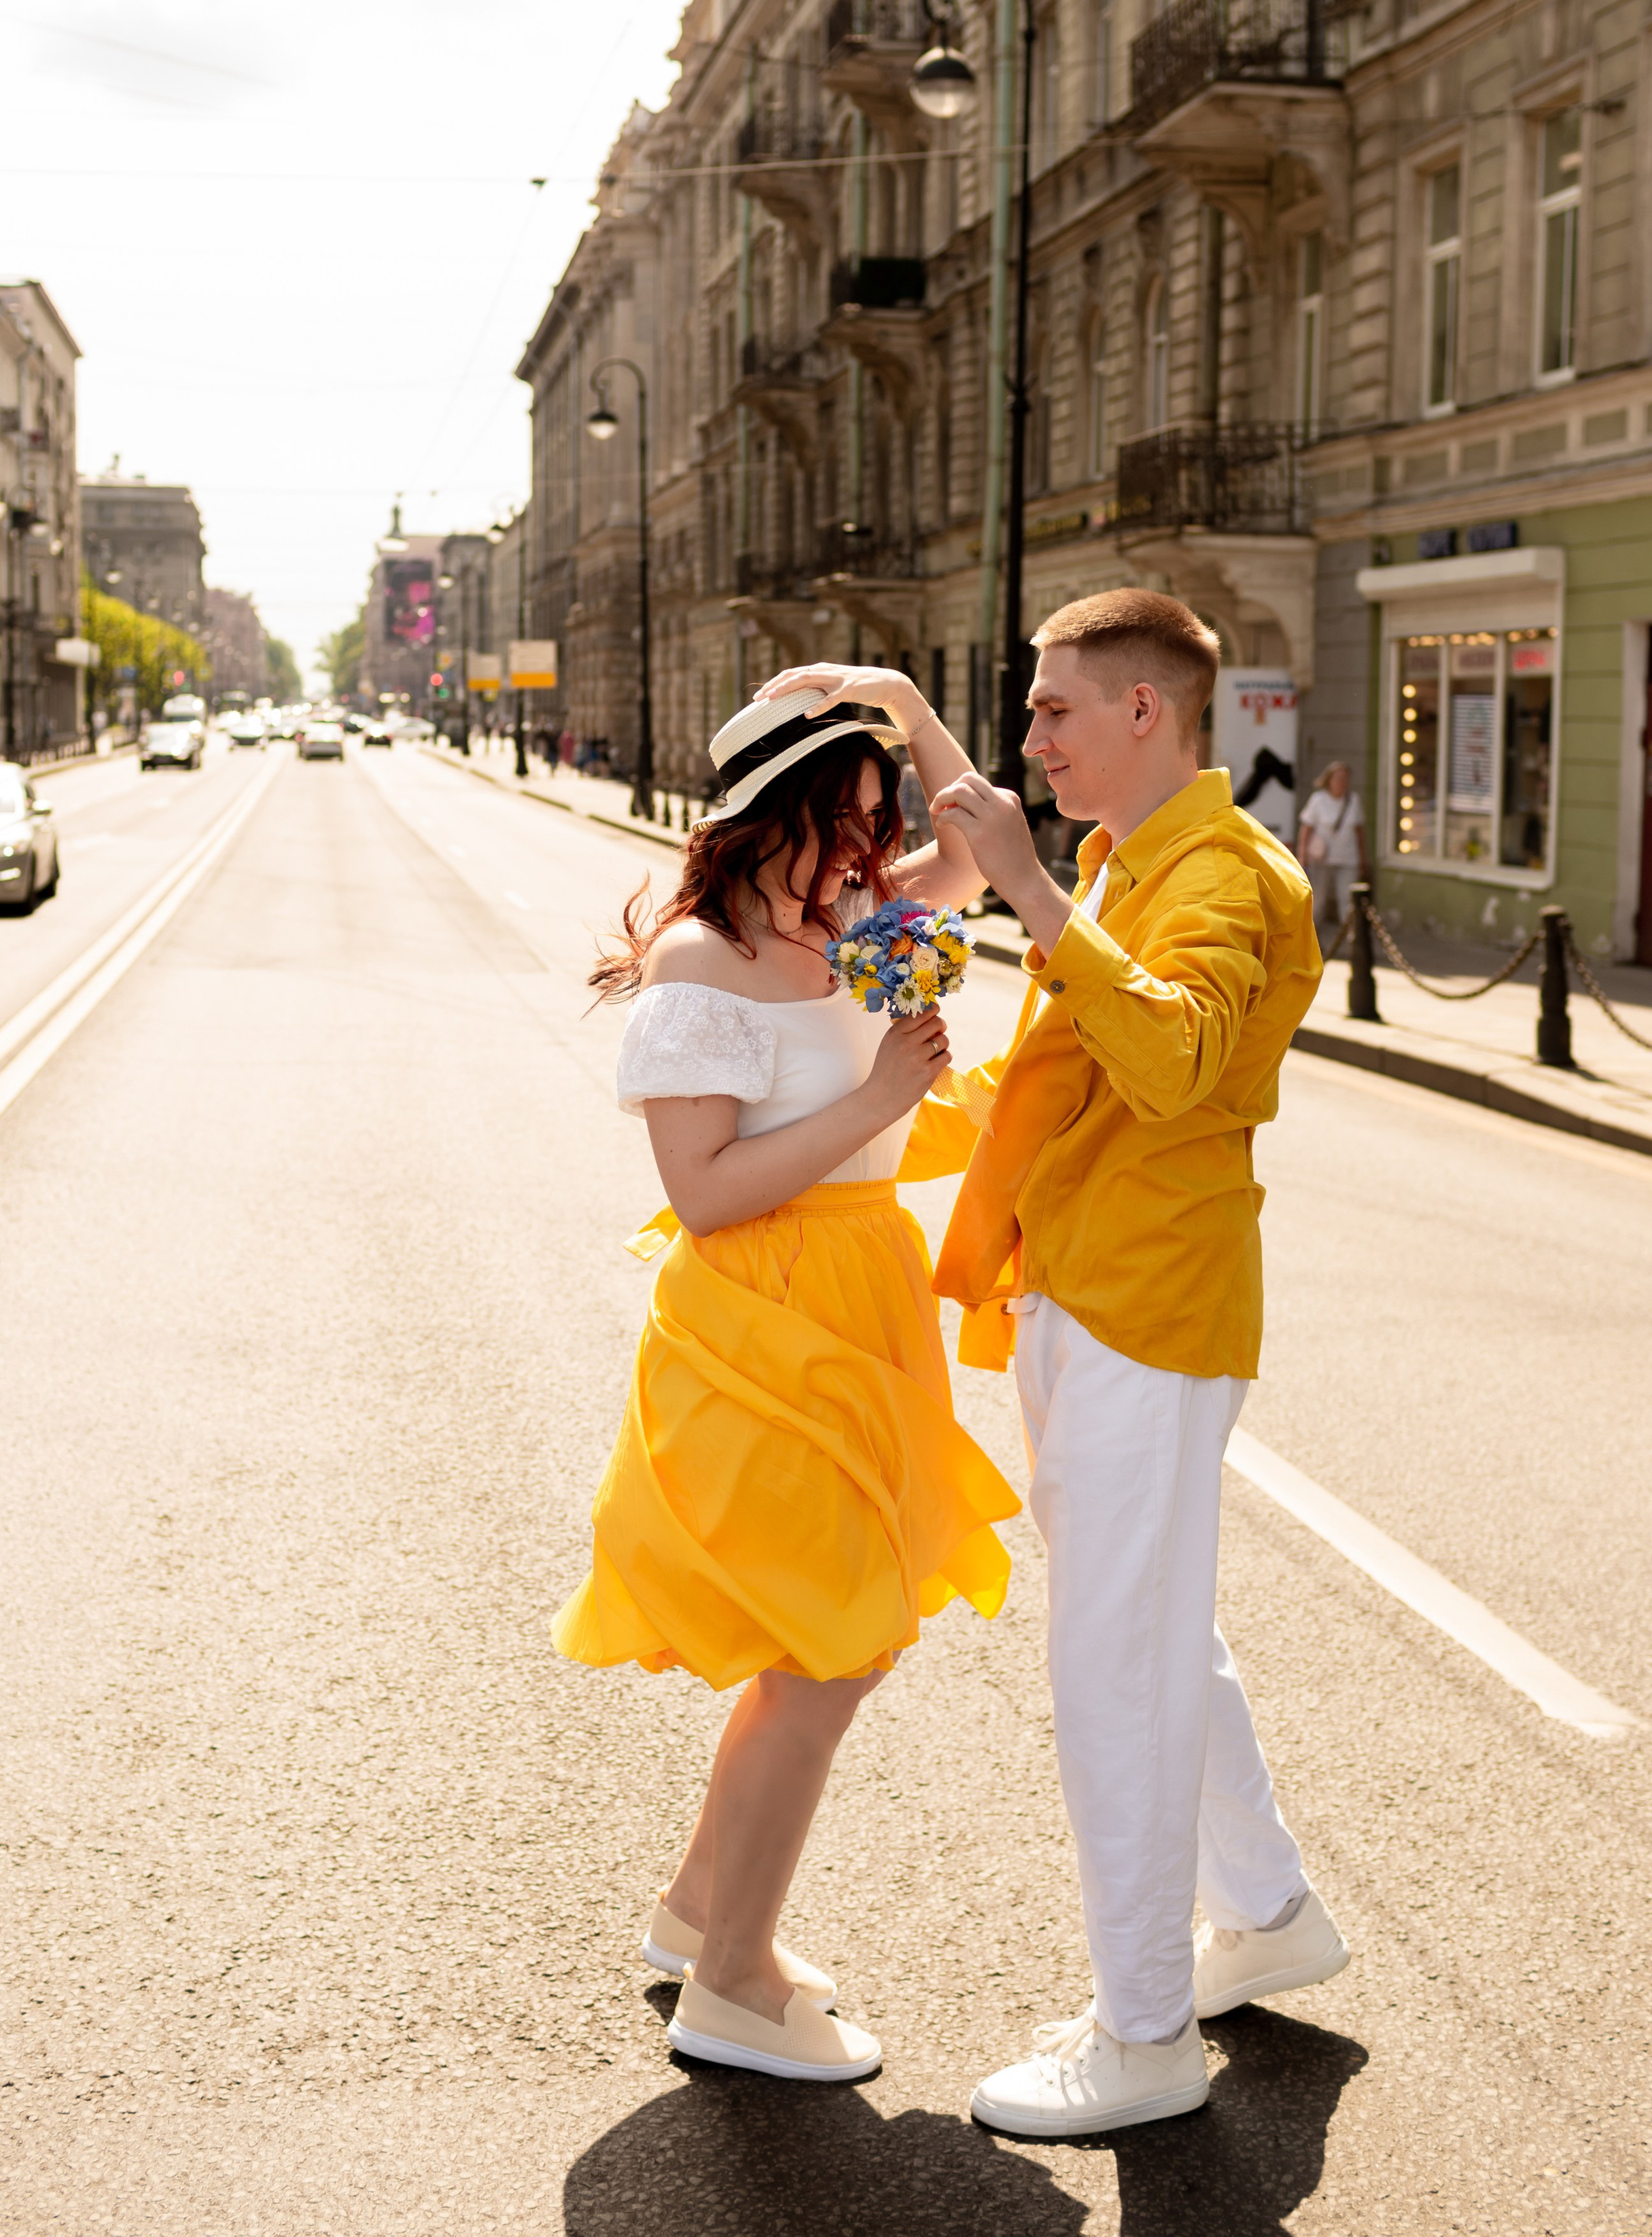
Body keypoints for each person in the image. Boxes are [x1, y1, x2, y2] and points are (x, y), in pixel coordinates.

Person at [913, 588, 1348, 2138]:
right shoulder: (1122, 866)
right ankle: (1270, 1908)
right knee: (1161, 1633)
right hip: (1085, 1295)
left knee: (1115, 1664)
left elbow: (1164, 1063)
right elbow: (1061, 1091)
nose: (1028, 737)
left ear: (1144, 713)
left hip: (1146, 1315)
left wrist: (1028, 890)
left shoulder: (1224, 875)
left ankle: (1145, 2030)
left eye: (1050, 710)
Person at [555, 666, 1019, 2085]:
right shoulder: (698, 961)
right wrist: (881, 1100)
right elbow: (701, 1193)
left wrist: (898, 700)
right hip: (757, 1326)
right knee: (826, 1652)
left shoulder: (856, 925)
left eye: (879, 821)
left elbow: (994, 851)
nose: (872, 852)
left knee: (834, 1644)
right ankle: (732, 1984)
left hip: (860, 1307)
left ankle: (701, 1912)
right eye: (846, 819)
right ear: (769, 816)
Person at [1297, 760, 1368, 955]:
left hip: (1347, 858)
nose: (1341, 782)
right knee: (1318, 903)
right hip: (1321, 859)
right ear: (1329, 780)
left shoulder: (1353, 800)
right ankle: (1313, 944)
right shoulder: (1318, 800)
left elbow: (1360, 832)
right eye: (1338, 778)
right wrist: (1302, 856)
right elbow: (1306, 829)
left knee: (1348, 902)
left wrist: (1364, 859)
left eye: (1345, 778)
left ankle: (1353, 945)